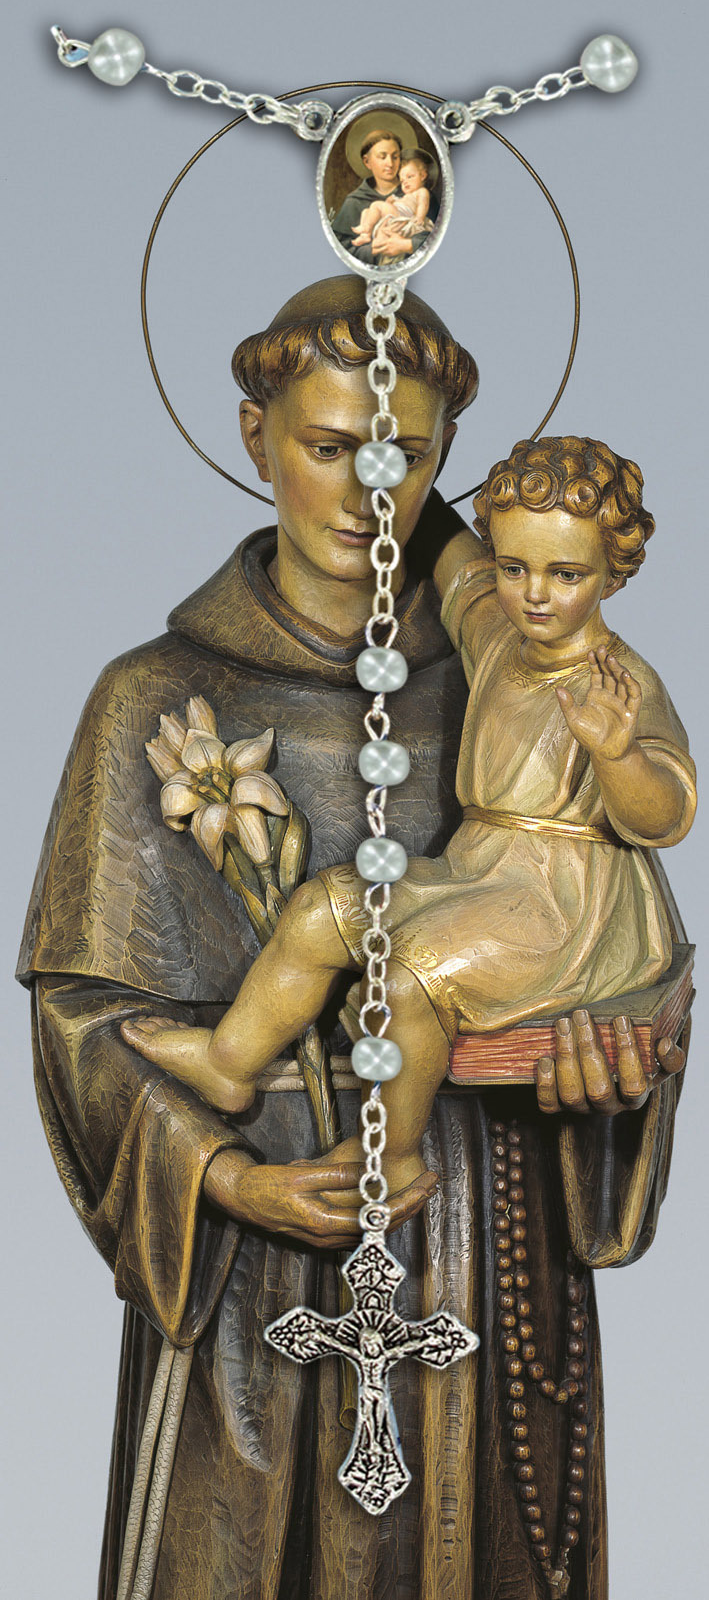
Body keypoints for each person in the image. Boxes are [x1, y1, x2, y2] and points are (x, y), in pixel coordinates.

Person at [18, 277, 689, 1600]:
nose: (369, 494)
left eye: (407, 456)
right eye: (330, 447)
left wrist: (609, 1078)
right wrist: (226, 1176)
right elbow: (84, 1019)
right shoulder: (154, 698)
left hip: (483, 1257)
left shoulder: (516, 669)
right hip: (258, 1280)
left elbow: (620, 935)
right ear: (255, 433)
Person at [122, 434, 696, 1204]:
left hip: (565, 903)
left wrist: (616, 753)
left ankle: (391, 1155)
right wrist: (386, 451)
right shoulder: (497, 632)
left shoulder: (620, 684)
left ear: (611, 573)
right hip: (478, 871)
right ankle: (230, 1062)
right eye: (514, 567)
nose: (533, 593)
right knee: (321, 911)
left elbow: (665, 816)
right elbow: (450, 552)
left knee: (407, 972)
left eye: (565, 575)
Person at [331, 132, 439, 264]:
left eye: (395, 157)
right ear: (367, 162)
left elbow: (438, 237)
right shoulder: (354, 201)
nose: (390, 163)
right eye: (382, 157)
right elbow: (339, 250)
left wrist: (407, 245)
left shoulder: (419, 194)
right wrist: (374, 249)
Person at [351, 151, 437, 262]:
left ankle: (366, 230)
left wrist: (420, 217)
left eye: (410, 177)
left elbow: (423, 204)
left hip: (402, 215)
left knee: (376, 205)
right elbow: (398, 205)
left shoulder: (422, 191)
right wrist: (390, 202)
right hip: (395, 214)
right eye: (402, 180)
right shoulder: (405, 195)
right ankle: (366, 235)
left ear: (423, 175)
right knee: (366, 212)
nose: (405, 182)